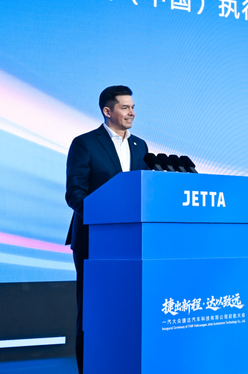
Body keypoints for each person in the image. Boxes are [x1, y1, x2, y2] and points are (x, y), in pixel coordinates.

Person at [64, 85, 149, 373]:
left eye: (133, 107)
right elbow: (74, 192)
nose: (132, 113)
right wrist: (103, 218)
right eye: (125, 107)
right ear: (107, 111)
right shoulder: (85, 143)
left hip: (133, 241)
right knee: (93, 309)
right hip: (94, 240)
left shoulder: (140, 146)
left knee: (127, 308)